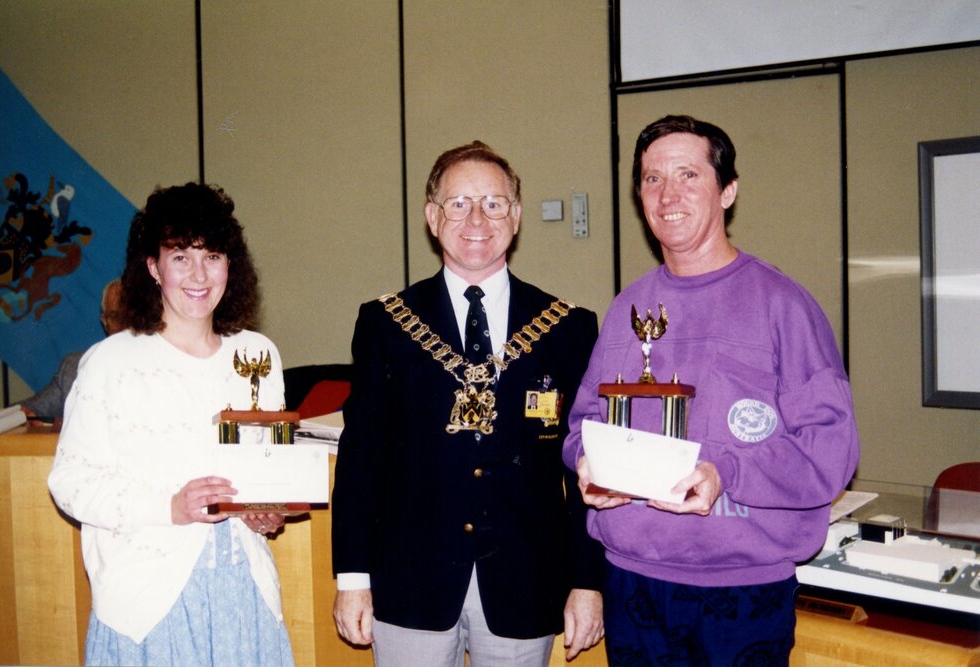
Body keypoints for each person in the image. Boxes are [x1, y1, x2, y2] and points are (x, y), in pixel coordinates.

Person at [562, 115, 860, 665]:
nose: (668, 194)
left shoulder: (783, 306)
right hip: (632, 584)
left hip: (740, 595)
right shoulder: (628, 308)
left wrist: (727, 473)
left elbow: (830, 451)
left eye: (688, 175)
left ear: (727, 191)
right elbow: (582, 423)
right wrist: (588, 462)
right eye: (652, 179)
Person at [332, 141, 605, 666]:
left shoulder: (567, 328)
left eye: (494, 203)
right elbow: (362, 460)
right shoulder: (386, 324)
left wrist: (587, 582)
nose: (477, 218)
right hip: (408, 583)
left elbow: (585, 472)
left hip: (525, 584)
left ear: (517, 216)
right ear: (433, 217)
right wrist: (352, 578)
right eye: (458, 204)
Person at [47, 182, 294, 666]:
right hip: (147, 607)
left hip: (246, 598)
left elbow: (273, 467)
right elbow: (70, 482)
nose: (199, 274)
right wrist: (170, 506)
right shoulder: (108, 363)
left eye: (213, 256)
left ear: (231, 266)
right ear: (153, 268)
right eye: (181, 257)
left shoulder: (258, 356)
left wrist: (269, 511)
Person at [19, 278, 124, 420]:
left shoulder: (161, 366)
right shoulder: (74, 368)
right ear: (104, 322)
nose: (126, 325)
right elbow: (33, 408)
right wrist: (19, 417)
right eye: (116, 316)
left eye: (133, 316)